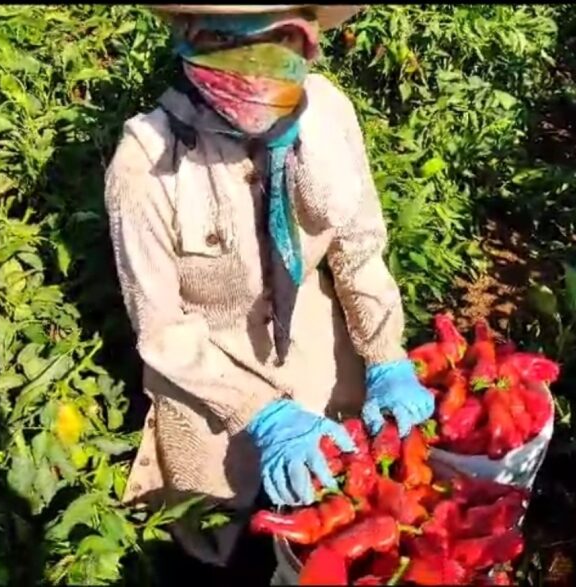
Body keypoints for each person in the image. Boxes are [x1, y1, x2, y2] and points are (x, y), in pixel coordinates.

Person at [103, 4, 435, 566]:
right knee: (226, 546)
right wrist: (261, 413)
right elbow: (163, 331)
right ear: (188, 40)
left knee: (340, 534)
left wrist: (384, 355)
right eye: (230, 46)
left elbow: (357, 245)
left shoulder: (329, 113)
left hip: (321, 366)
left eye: (280, 41)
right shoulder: (145, 165)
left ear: (310, 40)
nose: (257, 70)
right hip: (211, 397)